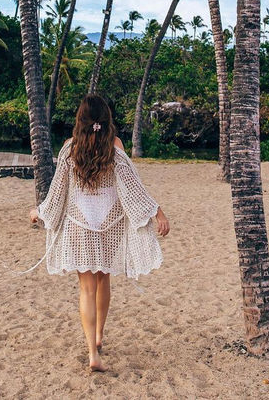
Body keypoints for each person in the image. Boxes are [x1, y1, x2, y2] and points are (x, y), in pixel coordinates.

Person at [29, 94, 170, 373]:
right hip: (109, 224)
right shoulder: (115, 148)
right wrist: (158, 213)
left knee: (86, 288)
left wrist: (39, 212)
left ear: (80, 120)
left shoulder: (69, 149)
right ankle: (99, 335)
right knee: (104, 280)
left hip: (80, 225)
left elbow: (57, 193)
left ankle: (93, 353)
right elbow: (134, 189)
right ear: (106, 119)